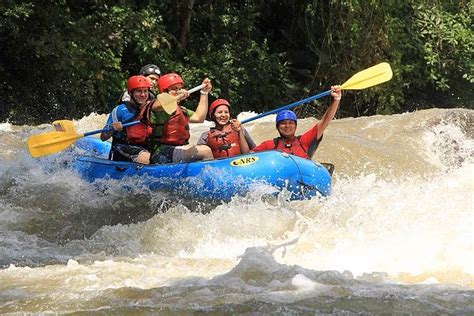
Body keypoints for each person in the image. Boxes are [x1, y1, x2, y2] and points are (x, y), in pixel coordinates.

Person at [252, 85, 342, 159]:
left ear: (295, 126)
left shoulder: (304, 141)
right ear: (277, 126)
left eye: (291, 123)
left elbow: (325, 121)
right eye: (283, 123)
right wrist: (240, 131)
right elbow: (249, 155)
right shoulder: (269, 145)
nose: (287, 126)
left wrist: (336, 99)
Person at [149, 73, 214, 164]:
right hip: (161, 152)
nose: (178, 91)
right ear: (164, 91)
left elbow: (199, 118)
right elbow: (155, 106)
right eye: (174, 89)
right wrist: (178, 96)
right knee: (205, 151)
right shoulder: (159, 107)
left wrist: (204, 93)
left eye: (179, 88)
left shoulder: (182, 110)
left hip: (178, 148)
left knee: (202, 149)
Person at [100, 75, 154, 164]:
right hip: (122, 149)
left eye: (145, 91)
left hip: (144, 148)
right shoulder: (120, 110)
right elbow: (103, 137)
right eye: (139, 91)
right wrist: (112, 129)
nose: (143, 94)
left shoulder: (150, 109)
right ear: (130, 93)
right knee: (149, 159)